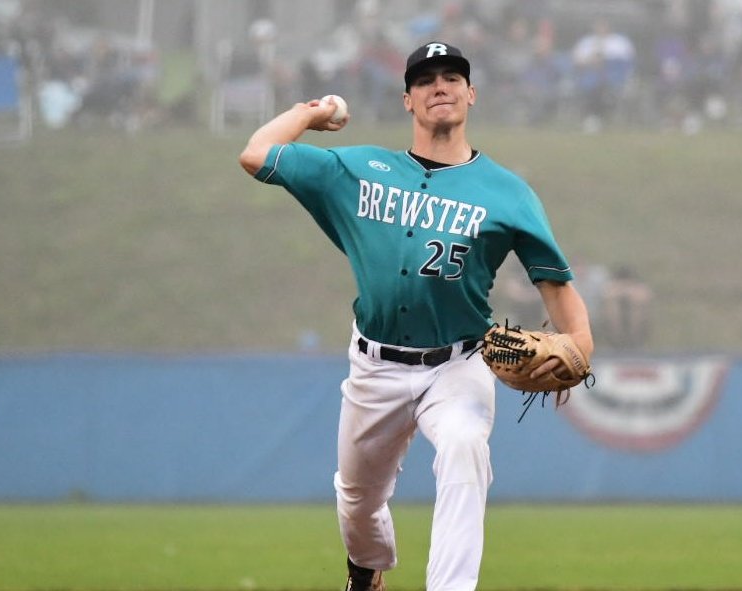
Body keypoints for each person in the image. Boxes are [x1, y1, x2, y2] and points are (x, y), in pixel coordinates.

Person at [239, 41, 593, 591]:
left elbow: (556, 284)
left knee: (464, 447)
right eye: (425, 80)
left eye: (452, 77)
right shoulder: (359, 170)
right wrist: (311, 113)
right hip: (375, 366)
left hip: (459, 362)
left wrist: (581, 345)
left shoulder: (508, 193)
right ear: (408, 100)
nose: (440, 86)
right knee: (358, 500)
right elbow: (257, 154)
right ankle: (366, 570)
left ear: (471, 94)